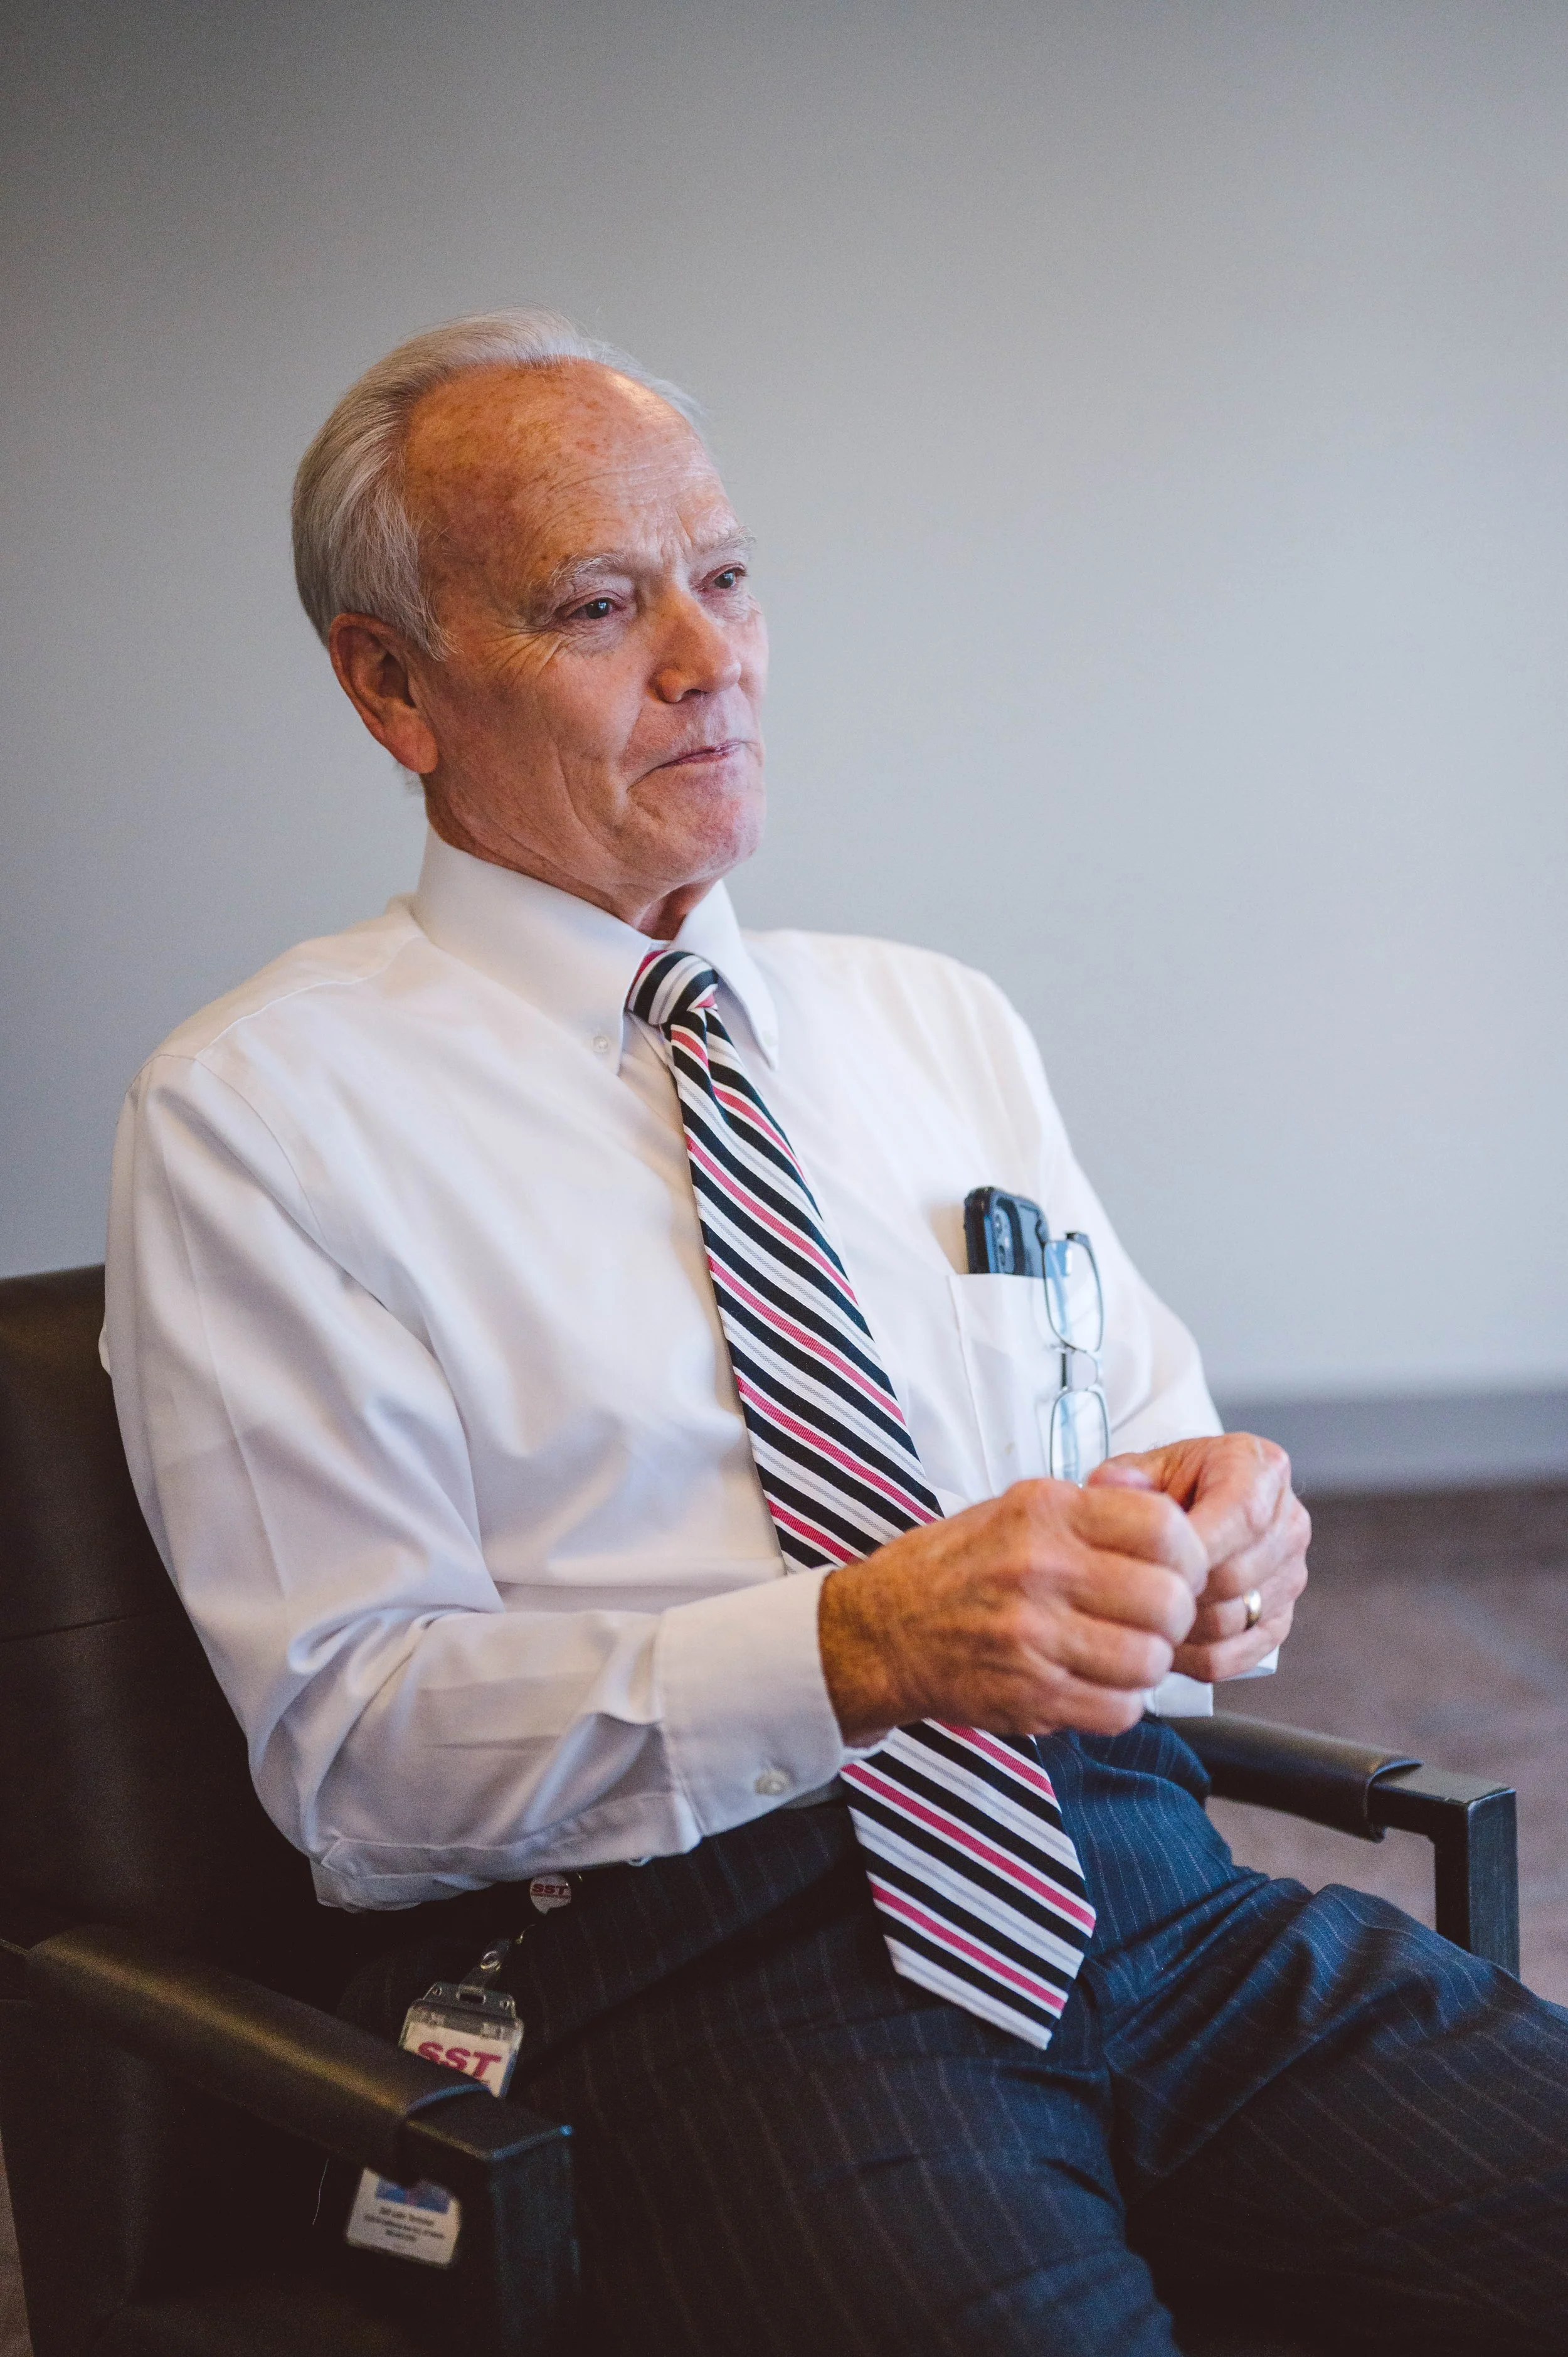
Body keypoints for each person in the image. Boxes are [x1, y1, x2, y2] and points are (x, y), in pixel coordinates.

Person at [105, 311, 1568, 2356]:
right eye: (601, 604)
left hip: (1132, 1878)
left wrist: (1220, 1525)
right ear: (391, 686)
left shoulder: (928, 1019)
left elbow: (1144, 1417)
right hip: (691, 1971)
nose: (711, 659)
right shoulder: (261, 1110)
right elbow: (363, 1761)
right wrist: (851, 1642)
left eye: (725, 573)